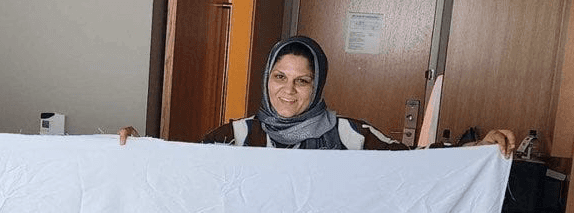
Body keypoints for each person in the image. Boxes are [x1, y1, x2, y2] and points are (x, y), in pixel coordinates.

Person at [119, 36, 515, 155]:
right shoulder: (238, 135)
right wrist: (139, 152)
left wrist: (476, 149)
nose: (287, 90)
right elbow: (179, 167)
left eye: (302, 81)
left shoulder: (351, 135)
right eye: (279, 76)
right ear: (266, 79)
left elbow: (414, 165)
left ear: (317, 85)